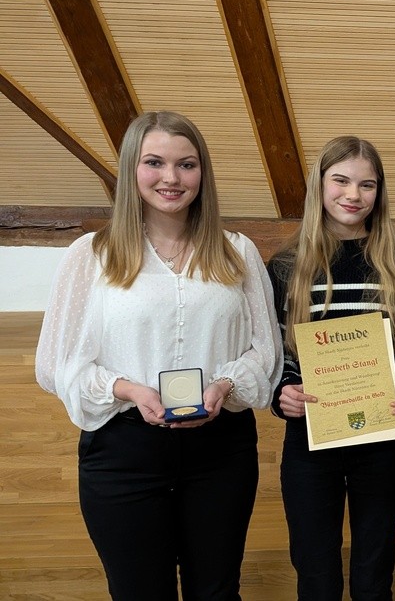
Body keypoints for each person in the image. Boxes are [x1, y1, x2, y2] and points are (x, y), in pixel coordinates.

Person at [34, 110, 283, 599]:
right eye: (155, 162)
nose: (171, 178)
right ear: (132, 170)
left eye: (186, 165)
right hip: (124, 452)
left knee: (216, 591)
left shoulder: (237, 251)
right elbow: (56, 364)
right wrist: (127, 388)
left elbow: (265, 351)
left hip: (221, 451)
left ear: (202, 174)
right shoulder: (92, 254)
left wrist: (225, 385)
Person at [267, 136, 395, 600]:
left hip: (382, 436)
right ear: (319, 184)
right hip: (308, 440)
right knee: (315, 571)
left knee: (374, 570)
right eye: (340, 180)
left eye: (367, 184)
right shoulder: (284, 265)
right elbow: (274, 350)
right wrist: (286, 391)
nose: (353, 195)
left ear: (380, 193)